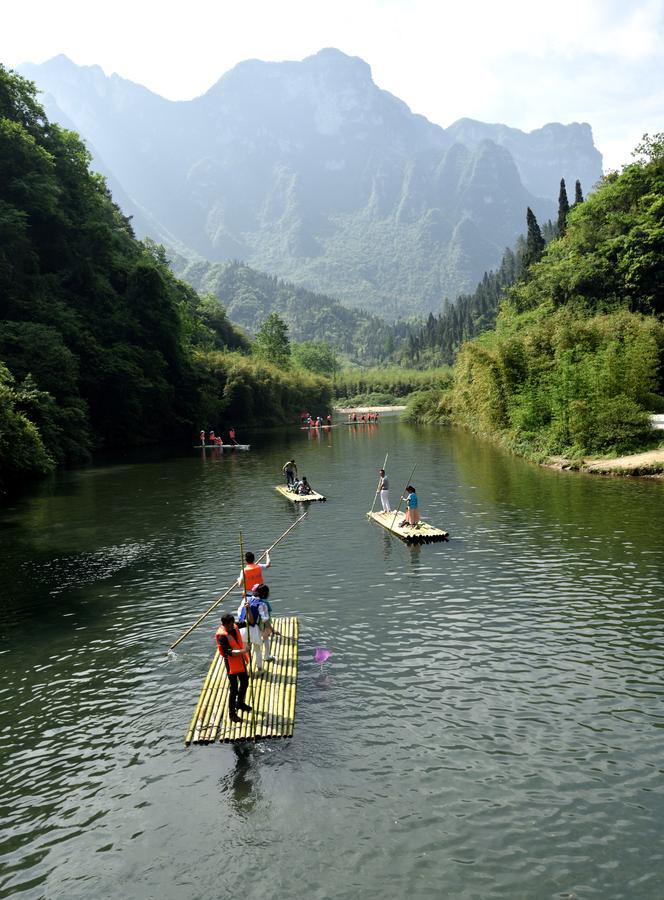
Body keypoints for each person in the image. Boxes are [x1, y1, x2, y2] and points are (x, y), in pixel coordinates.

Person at [215, 613, 251, 723]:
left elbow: (249, 622)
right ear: (224, 624)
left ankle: (240, 703)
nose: (231, 626)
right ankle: (232, 714)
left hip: (240, 660)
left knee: (245, 682)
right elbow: (229, 653)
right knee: (234, 688)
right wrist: (244, 651)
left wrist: (248, 608)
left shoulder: (234, 626)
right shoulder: (222, 636)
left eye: (232, 624)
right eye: (229, 625)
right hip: (231, 663)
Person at [236, 584, 276, 670]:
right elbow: (265, 620)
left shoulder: (245, 600)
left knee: (244, 650)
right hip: (253, 630)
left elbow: (239, 613)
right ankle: (259, 668)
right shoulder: (262, 604)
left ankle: (245, 668)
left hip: (242, 629)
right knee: (257, 650)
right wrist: (272, 630)